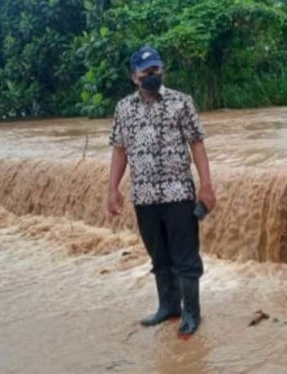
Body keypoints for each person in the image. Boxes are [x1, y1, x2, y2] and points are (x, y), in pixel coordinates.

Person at [107, 45, 216, 336]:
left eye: (156, 70)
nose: (153, 75)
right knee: (159, 256)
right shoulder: (123, 109)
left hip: (178, 193)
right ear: (134, 77)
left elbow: (197, 143)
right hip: (143, 196)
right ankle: (168, 306)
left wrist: (206, 185)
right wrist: (112, 189)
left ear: (162, 71)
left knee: (186, 258)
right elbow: (120, 150)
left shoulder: (181, 103)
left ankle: (192, 314)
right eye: (146, 72)